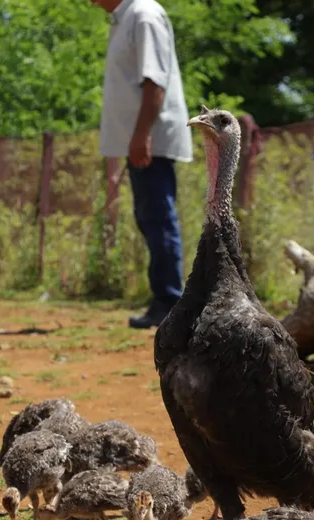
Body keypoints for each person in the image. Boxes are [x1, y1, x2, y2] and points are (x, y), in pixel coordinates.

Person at [91, 0, 192, 329]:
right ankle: (164, 299)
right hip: (140, 139)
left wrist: (141, 136)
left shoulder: (143, 15)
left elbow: (154, 83)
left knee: (158, 218)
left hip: (150, 141)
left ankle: (170, 302)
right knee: (150, 218)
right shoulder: (128, 18)